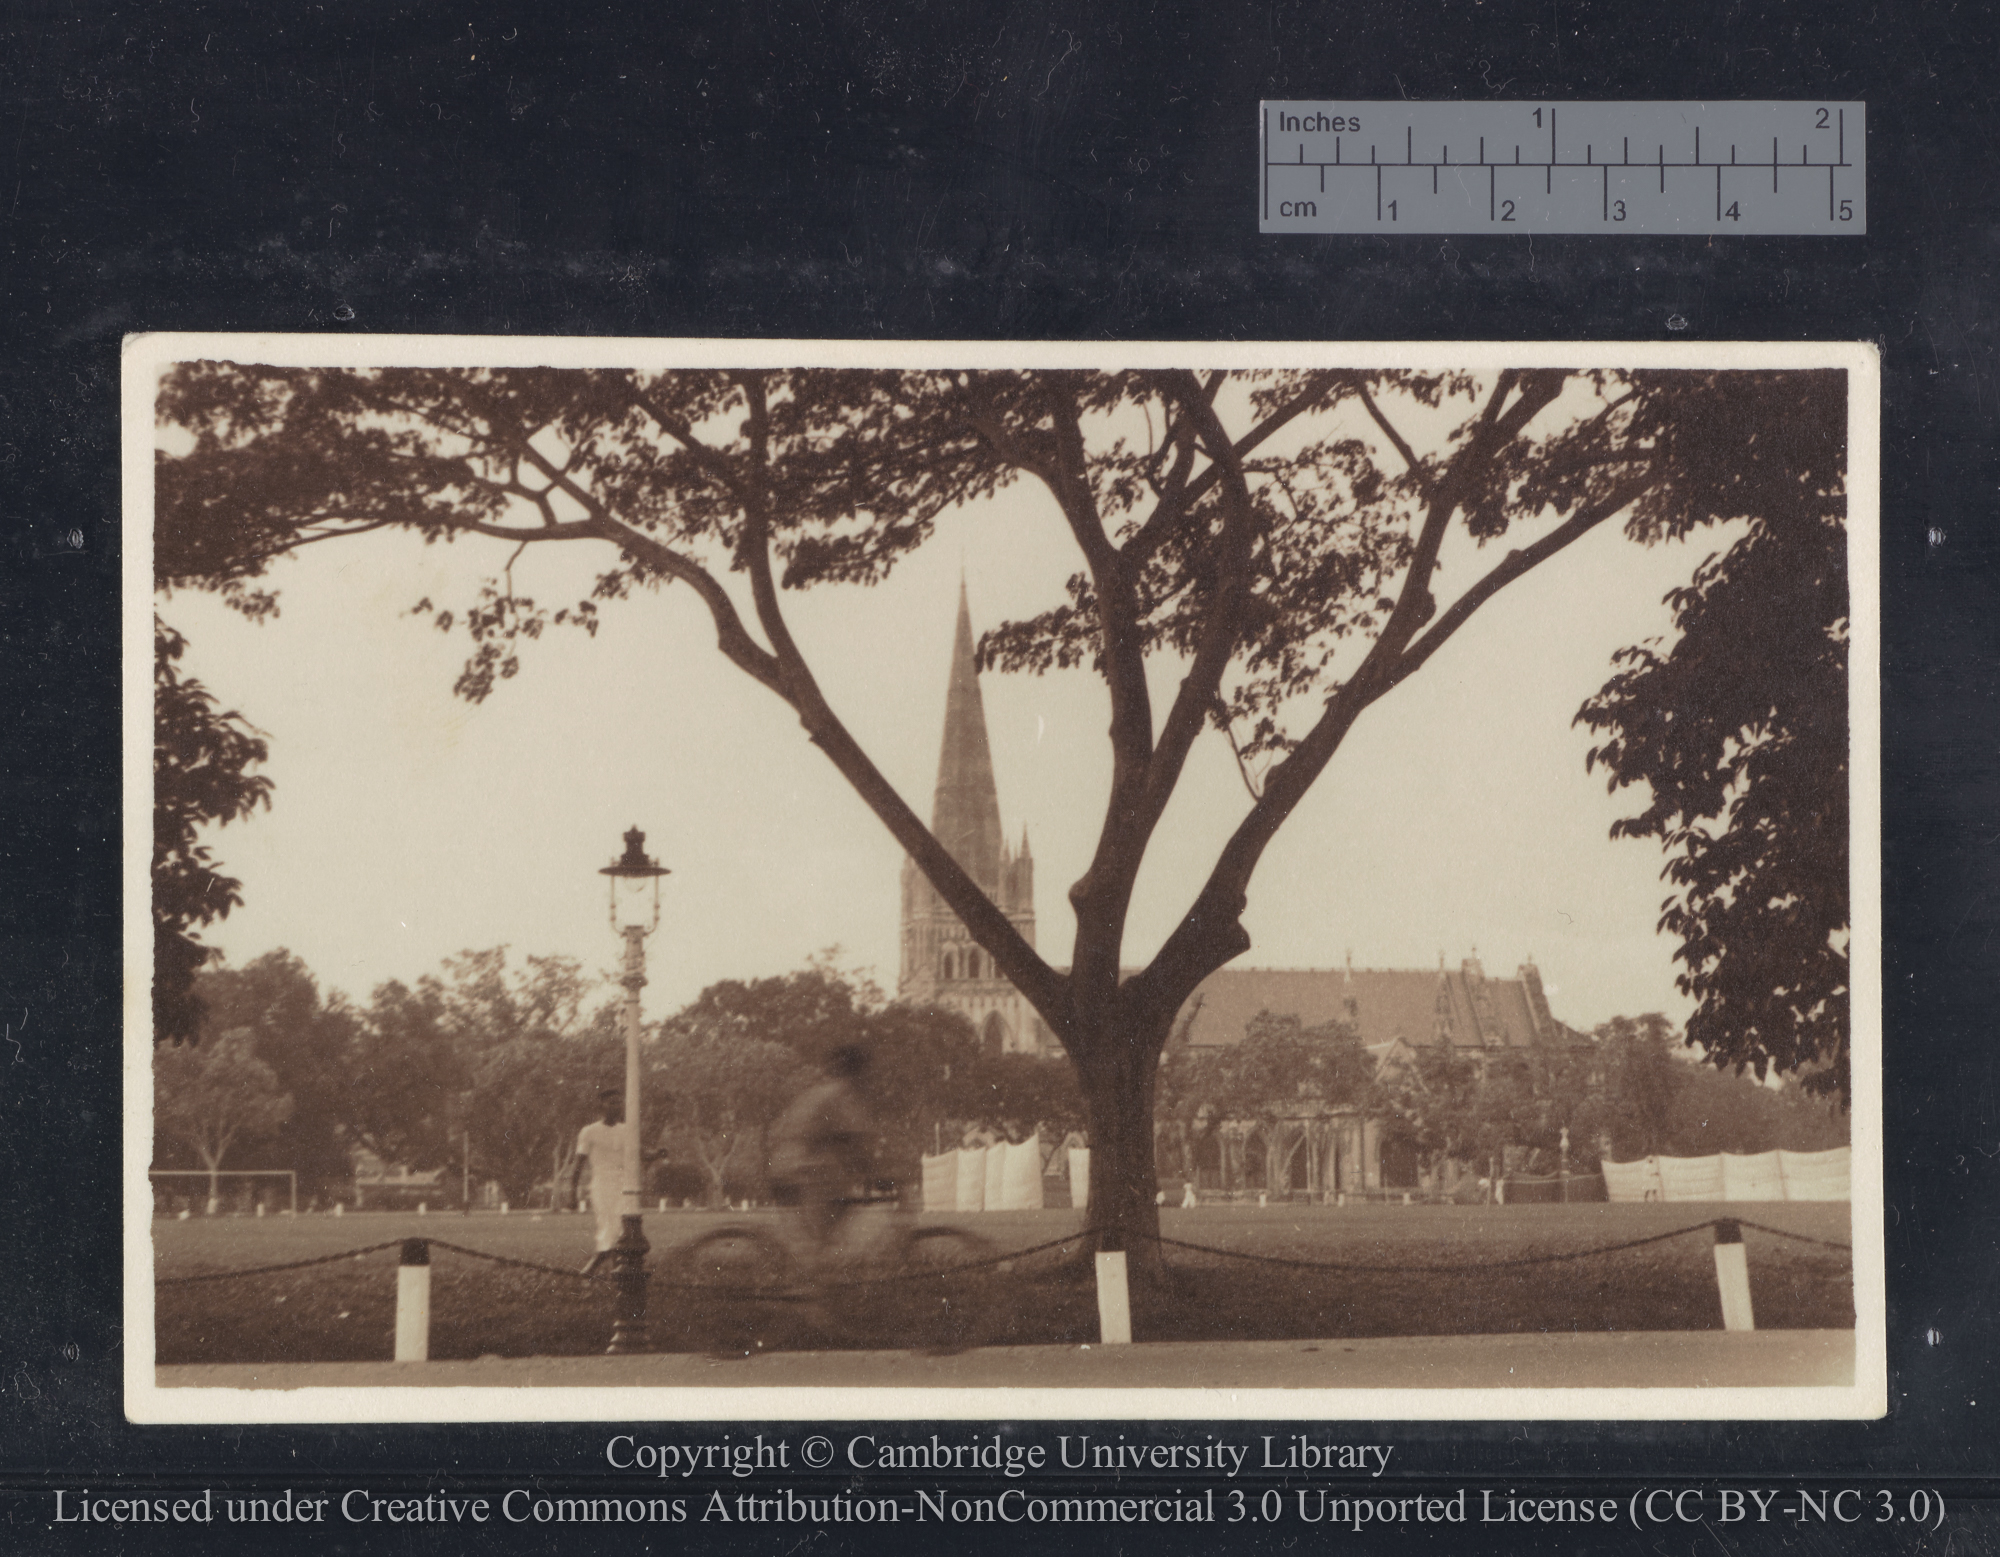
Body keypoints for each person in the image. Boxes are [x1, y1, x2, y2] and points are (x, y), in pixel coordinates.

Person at [766, 1044, 877, 1261]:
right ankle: (809, 1281)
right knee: (820, 1237)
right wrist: (874, 1171)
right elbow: (855, 1137)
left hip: (789, 1166)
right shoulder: (839, 1094)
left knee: (823, 1233)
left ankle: (814, 1267)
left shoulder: (823, 1092)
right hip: (803, 1170)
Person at [569, 1089, 643, 1276]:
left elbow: (640, 1153)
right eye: (612, 1103)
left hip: (624, 1185)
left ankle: (612, 1269)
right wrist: (572, 1193)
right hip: (602, 1185)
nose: (616, 1107)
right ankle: (592, 1268)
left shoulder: (627, 1130)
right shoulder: (590, 1132)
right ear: (601, 1106)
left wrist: (657, 1154)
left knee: (623, 1226)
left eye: (619, 1103)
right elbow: (578, 1164)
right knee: (608, 1226)